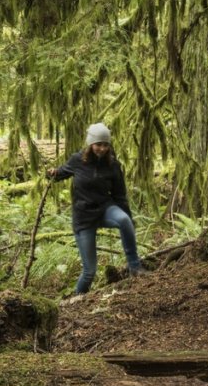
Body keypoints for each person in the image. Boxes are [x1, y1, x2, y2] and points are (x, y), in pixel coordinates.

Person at [47, 122, 143, 295]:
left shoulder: (113, 165)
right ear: (91, 144)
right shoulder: (77, 160)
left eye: (105, 145)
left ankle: (135, 267)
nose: (102, 148)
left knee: (124, 220)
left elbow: (120, 194)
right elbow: (61, 173)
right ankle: (76, 302)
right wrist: (52, 173)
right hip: (84, 218)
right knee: (89, 271)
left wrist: (128, 218)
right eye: (99, 144)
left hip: (105, 209)